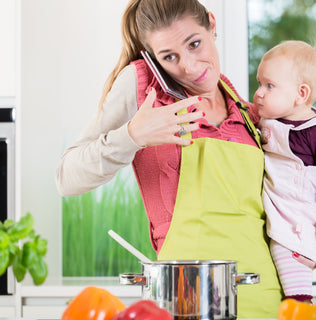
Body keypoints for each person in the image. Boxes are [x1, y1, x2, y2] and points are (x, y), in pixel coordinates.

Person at [55, 0, 282, 317]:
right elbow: (66, 178)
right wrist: (133, 135)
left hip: (262, 291)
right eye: (169, 57)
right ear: (152, 57)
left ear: (212, 25)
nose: (189, 66)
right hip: (184, 296)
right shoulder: (143, 86)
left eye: (194, 44)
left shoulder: (245, 110)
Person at [253, 40, 316, 303]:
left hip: (304, 216)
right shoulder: (266, 120)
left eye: (269, 86)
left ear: (301, 94)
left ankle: (301, 306)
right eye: (259, 83)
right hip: (280, 208)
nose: (259, 93)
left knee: (290, 260)